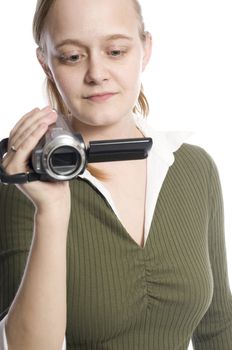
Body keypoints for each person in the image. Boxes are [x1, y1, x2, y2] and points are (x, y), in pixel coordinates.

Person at [0, 0, 231, 349]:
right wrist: (52, 211)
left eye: (116, 50)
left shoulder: (194, 169)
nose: (97, 73)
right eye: (73, 56)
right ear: (45, 62)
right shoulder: (22, 187)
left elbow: (218, 328)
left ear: (145, 49)